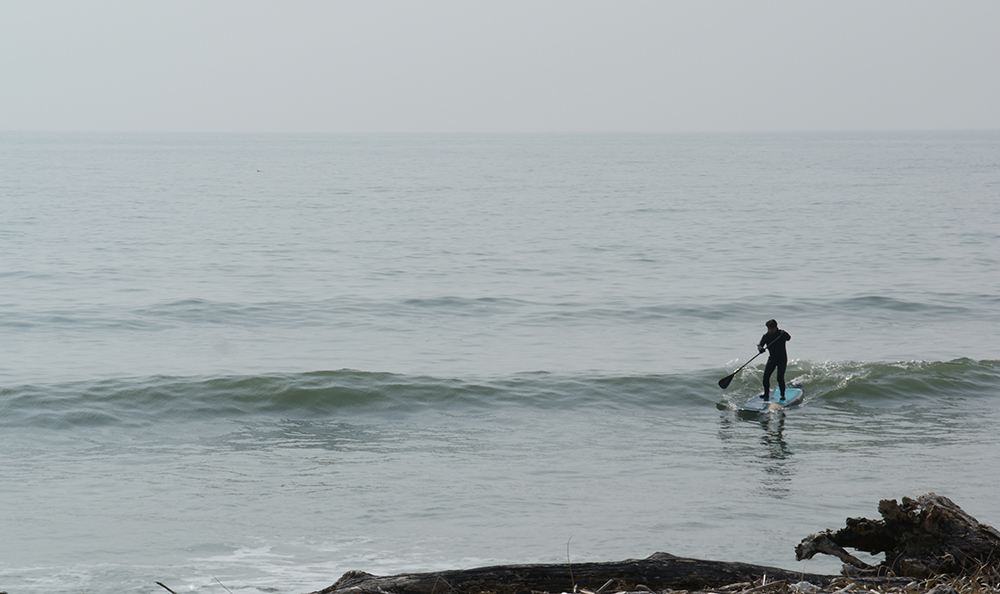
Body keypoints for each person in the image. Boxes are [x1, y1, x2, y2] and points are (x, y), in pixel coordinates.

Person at [758, 319, 791, 402]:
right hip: (772, 359)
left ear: (776, 328)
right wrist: (760, 349)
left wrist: (785, 334)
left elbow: (788, 338)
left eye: (771, 329)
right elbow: (760, 345)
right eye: (768, 329)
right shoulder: (766, 336)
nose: (770, 330)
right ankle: (766, 394)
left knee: (779, 378)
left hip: (782, 359)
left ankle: (782, 395)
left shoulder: (781, 334)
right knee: (765, 377)